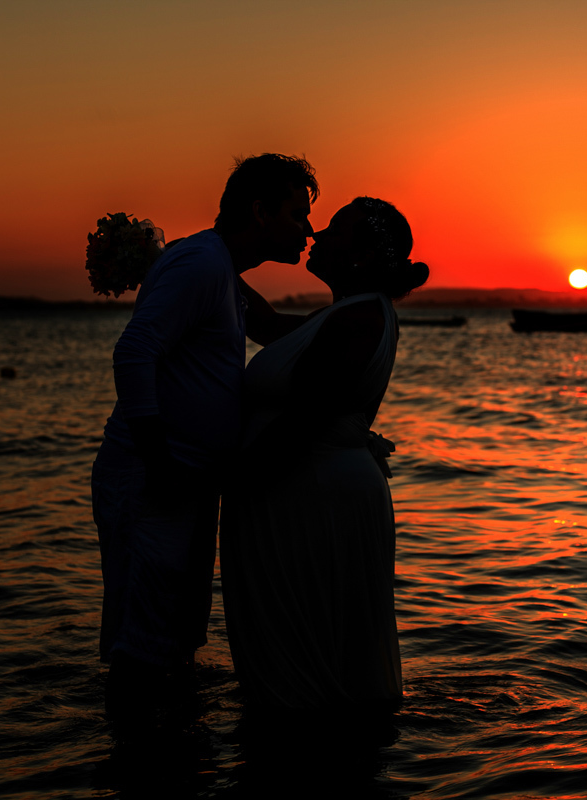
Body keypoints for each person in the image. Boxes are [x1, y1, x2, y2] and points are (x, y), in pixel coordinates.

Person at [92, 154, 318, 720]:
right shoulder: (199, 263)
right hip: (155, 477)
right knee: (143, 647)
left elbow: (271, 331)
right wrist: (159, 460)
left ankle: (169, 763)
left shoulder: (221, 270)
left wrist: (360, 311)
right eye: (298, 215)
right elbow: (134, 352)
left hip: (184, 480)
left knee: (173, 642)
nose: (309, 230)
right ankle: (136, 762)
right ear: (261, 212)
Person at [221, 197, 429, 717]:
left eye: (334, 230)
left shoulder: (358, 319)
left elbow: (304, 417)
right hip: (307, 486)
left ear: (359, 256)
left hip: (313, 492)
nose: (317, 235)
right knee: (309, 639)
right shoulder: (342, 313)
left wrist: (227, 480)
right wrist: (212, 261)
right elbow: (265, 324)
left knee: (308, 644)